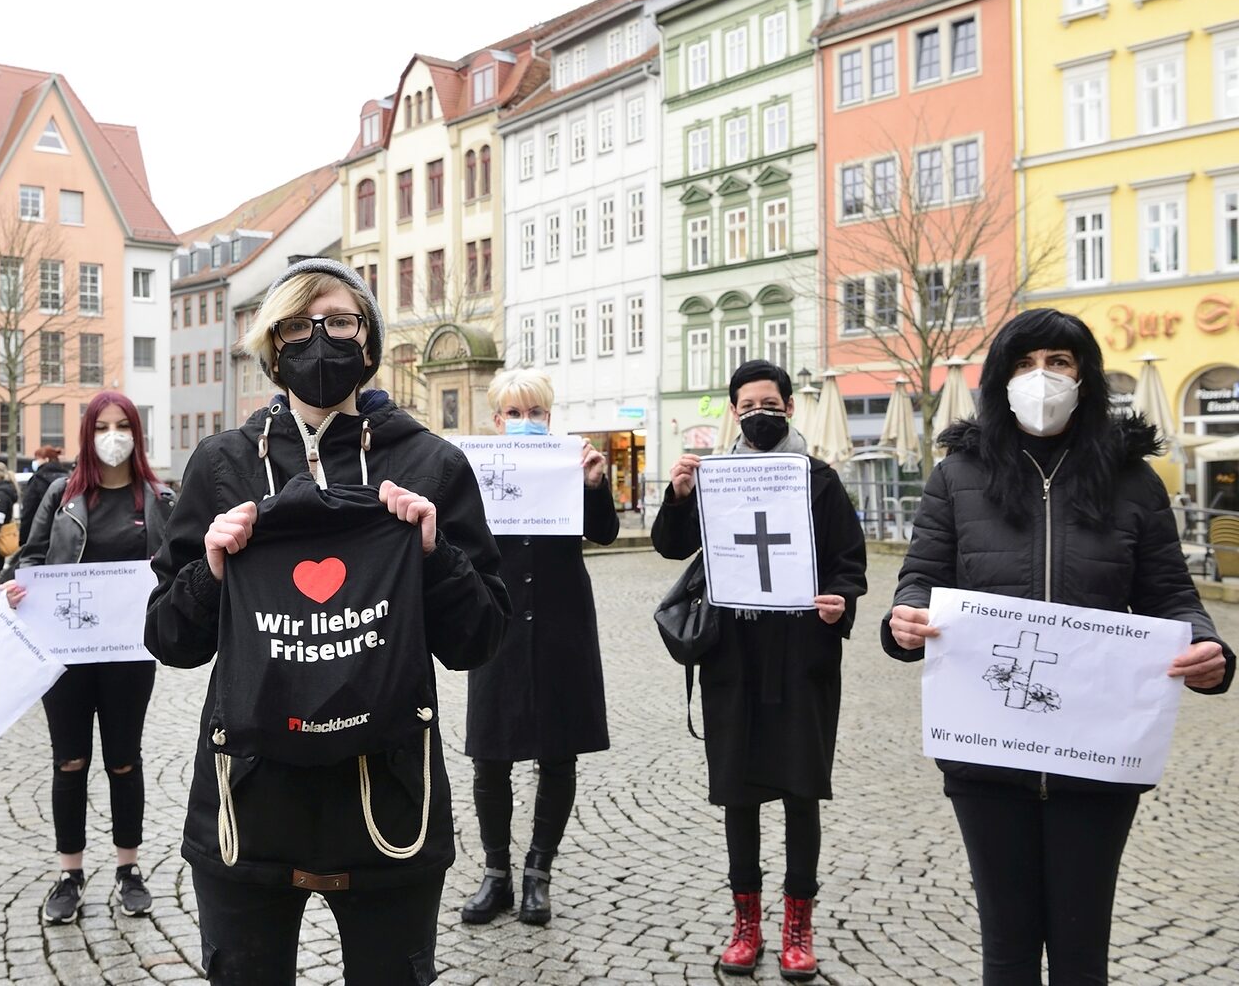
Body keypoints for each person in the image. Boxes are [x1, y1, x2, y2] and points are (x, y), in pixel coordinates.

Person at [144, 258, 508, 986]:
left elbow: (481, 636)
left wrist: (435, 553)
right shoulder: (221, 466)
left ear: (368, 341)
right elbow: (169, 637)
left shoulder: (430, 463)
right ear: (271, 345)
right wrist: (209, 570)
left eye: (339, 322)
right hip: (249, 801)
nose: (320, 341)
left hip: (388, 801)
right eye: (298, 326)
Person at [882, 309, 1233, 986]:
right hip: (986, 756)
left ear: (1085, 375)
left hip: (1097, 758)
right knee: (1007, 953)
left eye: (1060, 361)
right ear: (999, 377)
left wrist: (1207, 646)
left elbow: (1171, 596)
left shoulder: (1133, 479)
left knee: (1080, 954)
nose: (1041, 376)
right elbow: (921, 580)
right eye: (1023, 362)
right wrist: (907, 619)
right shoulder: (958, 475)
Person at [652, 359, 867, 982]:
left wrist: (841, 600)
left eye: (769, 403)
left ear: (790, 408)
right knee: (738, 794)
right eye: (746, 405)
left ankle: (798, 923)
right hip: (735, 660)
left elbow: (849, 562)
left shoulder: (820, 481)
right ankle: (745, 922)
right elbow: (671, 545)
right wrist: (680, 495)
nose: (759, 414)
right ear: (733, 412)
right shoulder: (714, 480)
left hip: (802, 659)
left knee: (802, 791)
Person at [4, 392, 173, 924]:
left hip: (129, 656)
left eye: (123, 425)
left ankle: (129, 868)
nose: (113, 436)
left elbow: (177, 570)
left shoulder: (159, 499)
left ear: (137, 433)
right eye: (102, 426)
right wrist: (17, 585)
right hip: (68, 657)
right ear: (87, 433)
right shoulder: (63, 494)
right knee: (69, 760)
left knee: (124, 760)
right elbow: (29, 558)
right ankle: (69, 873)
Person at [460, 368, 617, 927]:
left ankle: (538, 873)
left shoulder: (572, 467)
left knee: (558, 752)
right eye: (516, 414)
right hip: (499, 621)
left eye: (537, 413)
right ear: (498, 421)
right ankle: (496, 873)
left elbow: (603, 534)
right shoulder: (476, 472)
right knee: (491, 753)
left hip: (559, 619)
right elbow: (459, 545)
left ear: (550, 418)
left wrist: (595, 484)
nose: (527, 422)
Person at [19, 445, 68, 545]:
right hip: (64, 533)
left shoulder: (37, 480)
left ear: (46, 459)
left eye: (37, 459)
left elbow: (28, 510)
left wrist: (24, 539)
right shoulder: (68, 478)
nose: (35, 462)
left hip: (40, 533)